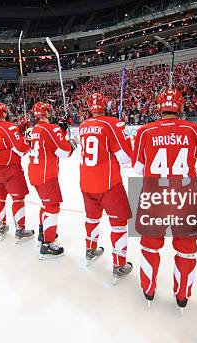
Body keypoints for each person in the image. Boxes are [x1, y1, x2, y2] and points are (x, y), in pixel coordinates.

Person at [132, 89, 197, 311]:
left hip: (155, 198)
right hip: (186, 198)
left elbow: (138, 168)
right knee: (187, 249)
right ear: (180, 106)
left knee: (150, 246)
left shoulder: (145, 131)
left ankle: (148, 290)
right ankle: (182, 296)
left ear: (159, 107)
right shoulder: (195, 130)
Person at [78, 93, 133, 283]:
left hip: (86, 181)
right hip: (108, 183)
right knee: (119, 223)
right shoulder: (111, 123)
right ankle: (119, 264)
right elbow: (125, 157)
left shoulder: (84, 125)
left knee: (92, 218)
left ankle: (90, 249)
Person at [28, 102, 74, 259]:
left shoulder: (35, 129)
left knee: (46, 204)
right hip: (46, 174)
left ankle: (43, 231)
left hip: (35, 172)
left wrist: (61, 128)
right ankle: (48, 244)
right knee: (52, 207)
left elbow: (48, 140)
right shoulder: (50, 128)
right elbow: (64, 151)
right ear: (46, 113)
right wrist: (72, 144)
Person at [0, 102, 34, 242]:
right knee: (18, 198)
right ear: (4, 113)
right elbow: (22, 148)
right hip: (10, 169)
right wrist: (25, 141)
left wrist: (18, 131)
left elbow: (3, 140)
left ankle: (0, 225)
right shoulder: (9, 127)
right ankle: (20, 229)